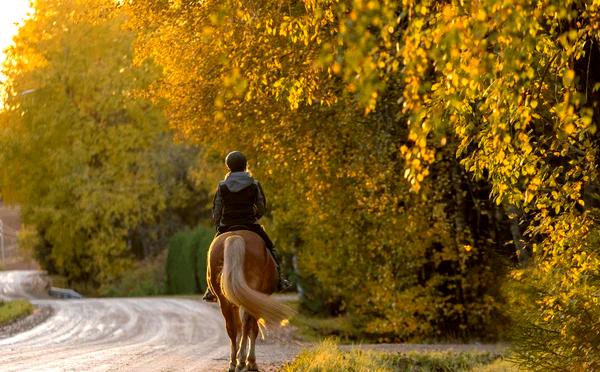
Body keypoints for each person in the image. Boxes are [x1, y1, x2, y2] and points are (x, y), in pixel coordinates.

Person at [202, 151, 291, 302]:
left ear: (228, 166)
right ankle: (280, 279)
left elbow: (217, 211)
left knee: (212, 253)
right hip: (250, 224)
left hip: (226, 226)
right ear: (245, 165)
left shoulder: (222, 186)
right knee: (271, 248)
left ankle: (211, 289)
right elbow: (261, 207)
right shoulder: (254, 184)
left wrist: (219, 223)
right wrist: (254, 216)